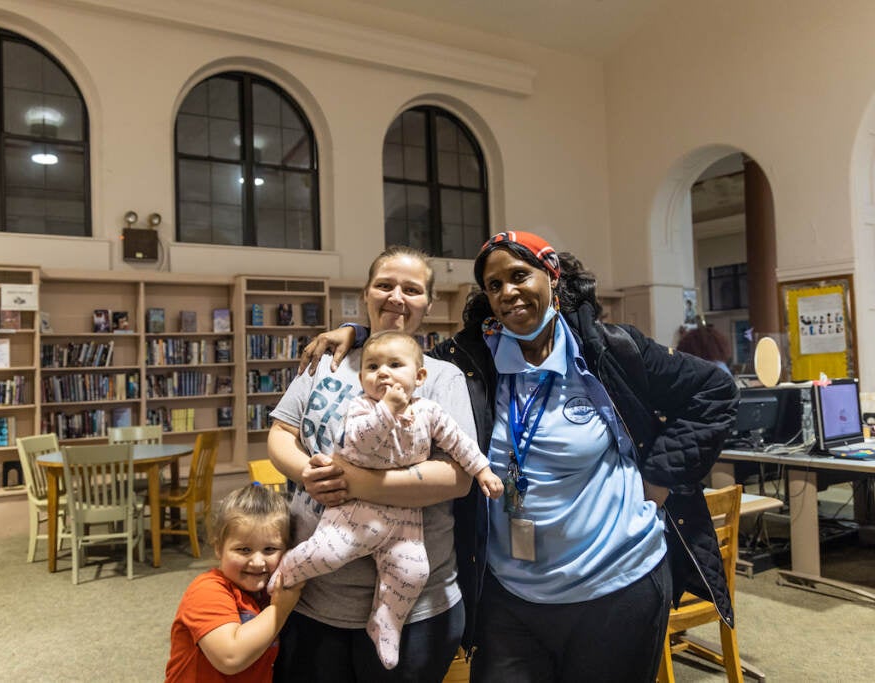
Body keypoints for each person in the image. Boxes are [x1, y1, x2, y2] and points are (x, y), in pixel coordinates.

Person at [301, 231, 738, 682]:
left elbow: (716, 391)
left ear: (552, 278)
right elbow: (403, 359)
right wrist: (356, 335)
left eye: (519, 276)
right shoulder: (471, 361)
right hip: (510, 599)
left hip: (618, 584)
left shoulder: (610, 350)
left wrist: (661, 478)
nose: (507, 292)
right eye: (493, 285)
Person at [267, 245, 476, 682]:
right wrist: (307, 473)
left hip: (417, 608)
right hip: (313, 597)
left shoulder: (440, 377)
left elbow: (457, 477)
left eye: (412, 289)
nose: (397, 297)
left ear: (429, 304)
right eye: (385, 285)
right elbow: (281, 434)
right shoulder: (328, 359)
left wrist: (355, 483)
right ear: (366, 293)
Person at [165, 484, 302, 683]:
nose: (257, 562)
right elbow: (230, 657)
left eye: (270, 549)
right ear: (219, 548)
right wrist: (280, 609)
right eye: (244, 550)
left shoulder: (269, 592)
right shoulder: (206, 591)